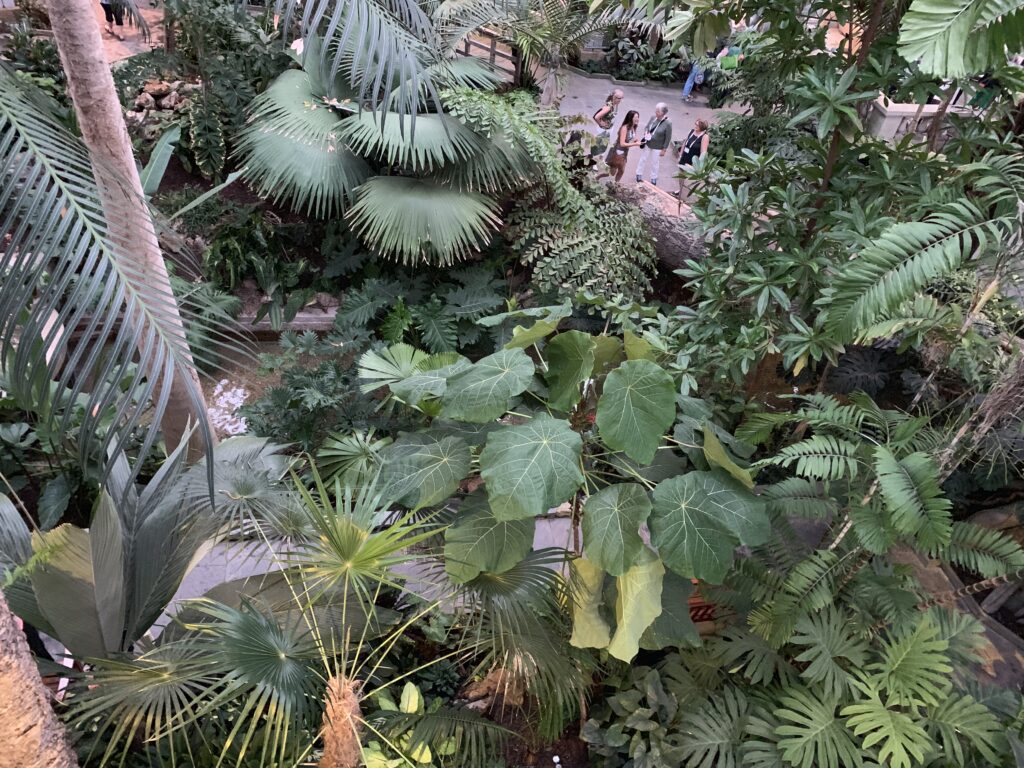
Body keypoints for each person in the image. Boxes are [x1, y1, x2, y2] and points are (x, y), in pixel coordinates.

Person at [634, 103, 673, 186]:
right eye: (656, 110)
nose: (656, 112)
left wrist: (664, 149)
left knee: (655, 162)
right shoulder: (653, 117)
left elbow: (668, 137)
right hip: (648, 143)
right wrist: (646, 132)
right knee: (643, 159)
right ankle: (638, 173)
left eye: (658, 111)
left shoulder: (668, 123)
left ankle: (654, 178)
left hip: (658, 146)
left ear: (663, 113)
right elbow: (647, 127)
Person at [601, 110, 642, 183]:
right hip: (618, 151)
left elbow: (631, 137)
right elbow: (622, 143)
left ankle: (616, 185)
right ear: (630, 118)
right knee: (614, 171)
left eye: (638, 117)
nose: (637, 119)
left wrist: (636, 140)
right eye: (635, 117)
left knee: (620, 171)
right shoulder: (624, 128)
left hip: (624, 152)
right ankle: (599, 176)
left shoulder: (633, 127)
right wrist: (635, 144)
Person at [676, 118, 710, 199]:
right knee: (681, 176)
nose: (695, 126)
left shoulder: (704, 137)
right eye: (695, 124)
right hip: (684, 158)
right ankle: (680, 191)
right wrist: (680, 154)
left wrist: (700, 165)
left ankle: (685, 196)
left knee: (687, 179)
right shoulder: (691, 132)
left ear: (702, 127)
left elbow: (703, 152)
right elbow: (685, 143)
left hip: (692, 161)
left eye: (697, 125)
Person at [592, 89, 624, 156]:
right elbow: (596, 117)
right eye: (619, 98)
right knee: (599, 146)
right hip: (603, 131)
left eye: (622, 98)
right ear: (614, 97)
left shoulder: (615, 104)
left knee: (604, 146)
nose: (621, 100)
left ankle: (599, 160)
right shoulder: (608, 107)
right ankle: (595, 162)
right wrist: (601, 123)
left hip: (609, 129)